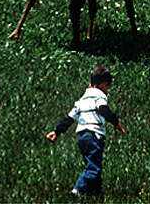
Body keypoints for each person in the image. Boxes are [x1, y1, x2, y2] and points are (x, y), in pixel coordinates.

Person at [45, 65, 126, 196]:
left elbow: (69, 118)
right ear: (103, 84)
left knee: (92, 164)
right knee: (94, 168)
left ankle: (96, 193)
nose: (107, 90)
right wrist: (116, 123)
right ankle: (77, 190)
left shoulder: (81, 100)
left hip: (81, 136)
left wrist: (56, 131)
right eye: (107, 87)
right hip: (94, 135)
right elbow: (103, 110)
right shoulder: (99, 96)